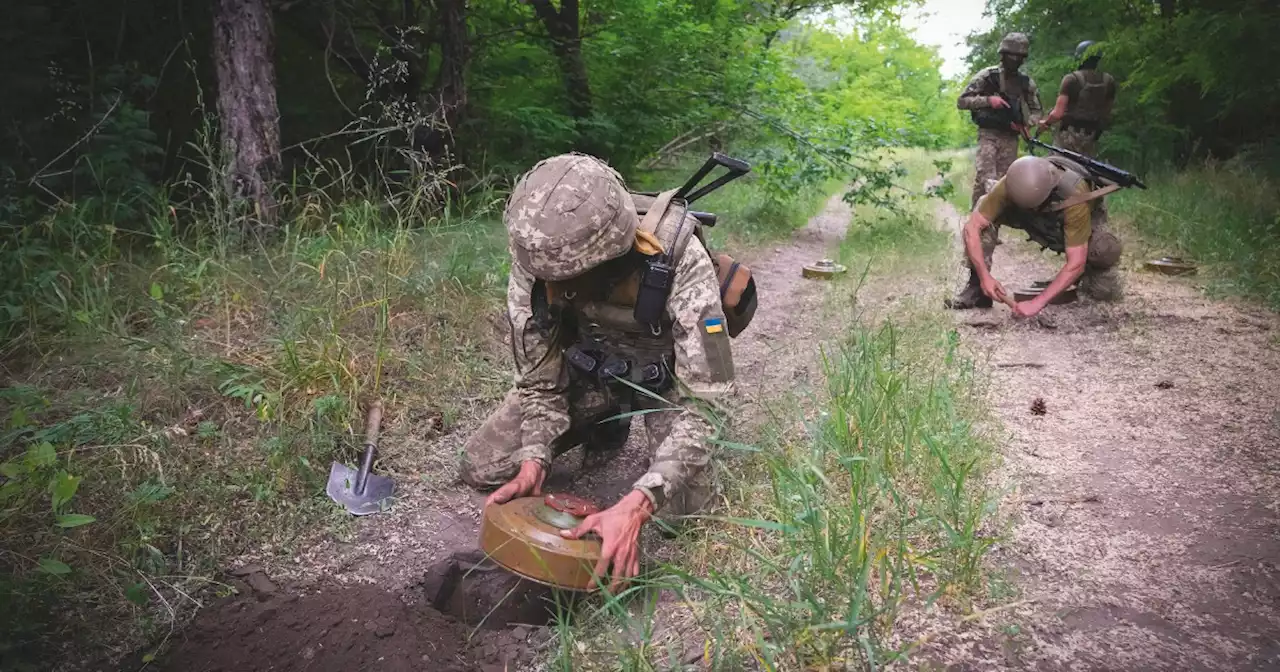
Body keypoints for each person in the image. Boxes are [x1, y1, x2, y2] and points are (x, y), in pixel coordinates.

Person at [459, 153, 733, 592]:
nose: (547, 287)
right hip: (590, 374)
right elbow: (539, 381)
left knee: (682, 517)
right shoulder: (537, 257)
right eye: (541, 276)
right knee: (484, 465)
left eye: (567, 277)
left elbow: (709, 405)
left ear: (610, 255)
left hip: (665, 388)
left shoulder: (679, 258)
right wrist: (534, 455)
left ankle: (617, 426)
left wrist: (641, 502)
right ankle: (603, 424)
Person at [961, 155, 1124, 318]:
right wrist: (984, 277)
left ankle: (1084, 284)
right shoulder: (1012, 182)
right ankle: (976, 288)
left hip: (1063, 221)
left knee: (1103, 253)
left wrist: (1037, 303)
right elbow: (972, 228)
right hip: (1030, 216)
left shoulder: (1075, 196)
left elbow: (1076, 262)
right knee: (983, 211)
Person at [949, 32, 1043, 309]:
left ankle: (980, 282)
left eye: (1019, 56)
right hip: (989, 139)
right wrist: (988, 101)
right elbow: (962, 100)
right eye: (1010, 55)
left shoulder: (1026, 83)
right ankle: (975, 283)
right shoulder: (987, 77)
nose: (1014, 60)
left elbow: (1037, 111)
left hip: (1011, 142)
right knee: (983, 202)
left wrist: (1027, 123)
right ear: (1003, 55)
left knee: (1001, 202)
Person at [1037, 40, 1117, 157]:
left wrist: (1045, 123)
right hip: (1092, 138)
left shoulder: (1071, 79)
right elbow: (1107, 113)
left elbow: (1057, 114)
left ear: (1080, 58)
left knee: (1053, 166)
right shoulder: (1108, 80)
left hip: (1068, 138)